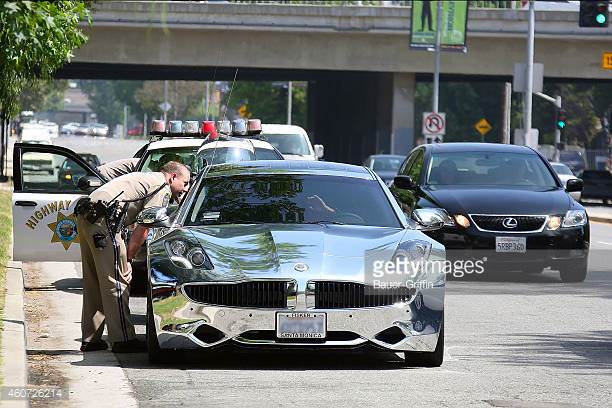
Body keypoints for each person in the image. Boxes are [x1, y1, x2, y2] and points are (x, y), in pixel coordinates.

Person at [76, 161, 190, 353]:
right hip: (105, 220)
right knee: (117, 281)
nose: (185, 189)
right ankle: (123, 339)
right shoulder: (162, 186)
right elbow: (143, 229)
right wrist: (128, 259)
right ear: (172, 177)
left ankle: (91, 339)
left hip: (86, 214)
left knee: (94, 281)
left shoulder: (147, 177)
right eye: (185, 183)